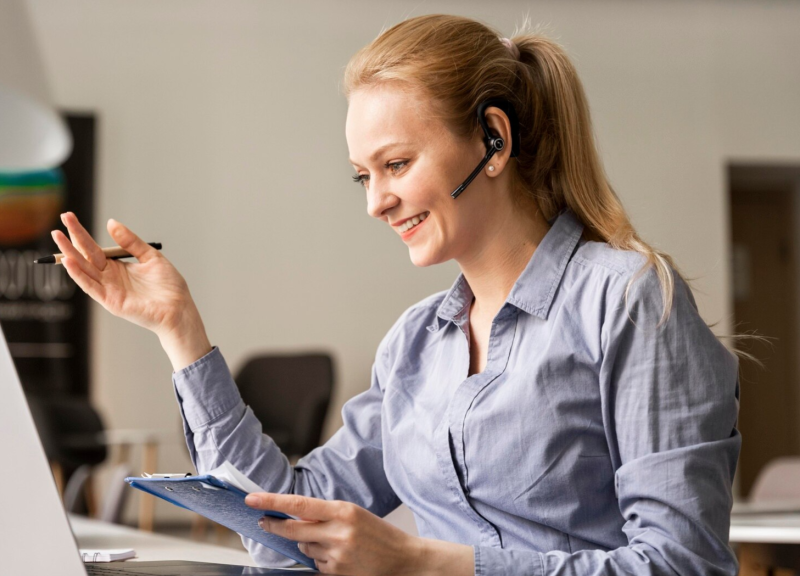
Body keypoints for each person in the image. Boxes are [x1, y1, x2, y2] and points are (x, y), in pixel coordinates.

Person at [52, 14, 740, 576]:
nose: (377, 202)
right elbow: (285, 524)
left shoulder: (628, 299)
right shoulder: (417, 342)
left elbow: (683, 565)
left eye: (397, 164)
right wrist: (179, 329)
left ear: (492, 140)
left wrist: (420, 564)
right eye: (362, 176)